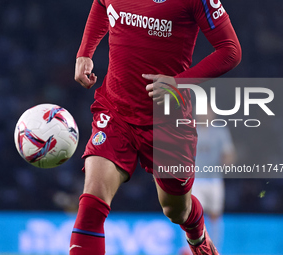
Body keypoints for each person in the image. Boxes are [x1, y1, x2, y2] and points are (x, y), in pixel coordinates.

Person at [71, 0, 241, 254]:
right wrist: (85, 51)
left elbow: (230, 50)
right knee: (92, 202)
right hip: (115, 110)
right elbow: (100, 3)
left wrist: (178, 83)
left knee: (175, 209)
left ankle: (197, 236)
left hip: (168, 121)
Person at [190, 108, 236, 252]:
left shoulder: (220, 132)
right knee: (191, 216)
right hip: (196, 181)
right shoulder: (190, 130)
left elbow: (229, 153)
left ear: (212, 113)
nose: (204, 114)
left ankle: (215, 249)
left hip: (214, 180)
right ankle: (191, 249)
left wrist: (228, 161)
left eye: (207, 111)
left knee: (215, 215)